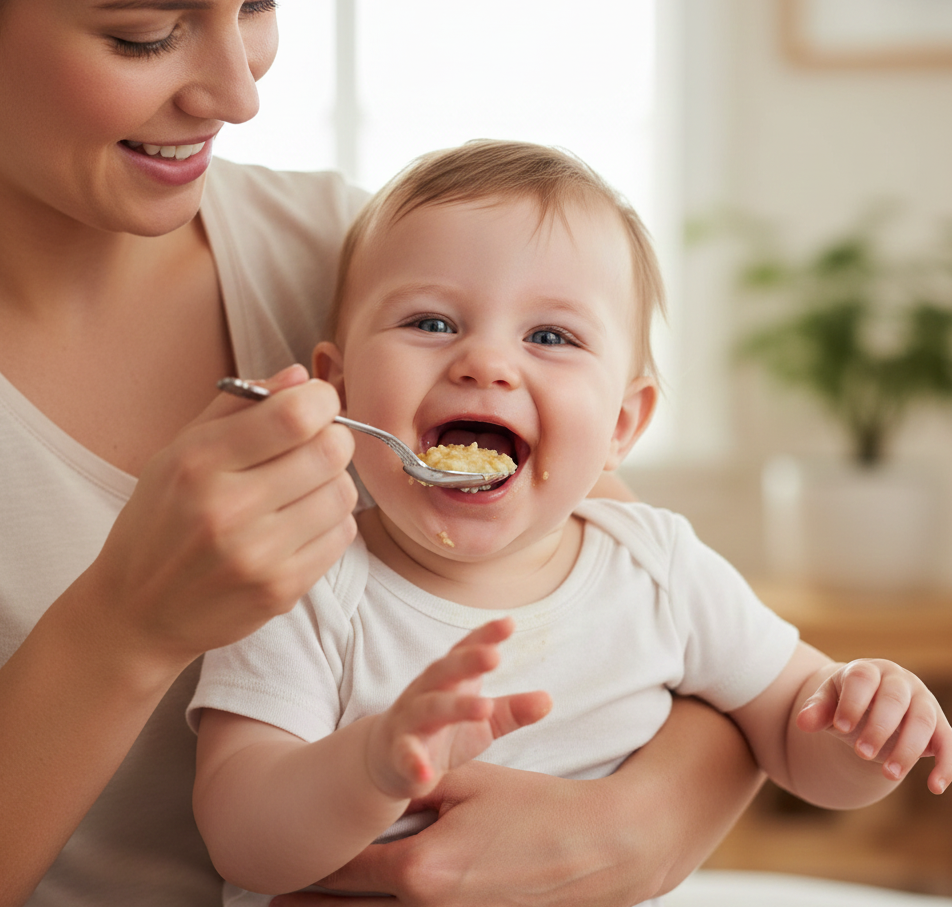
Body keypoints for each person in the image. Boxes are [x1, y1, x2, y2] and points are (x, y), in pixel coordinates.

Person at [0, 0, 773, 906]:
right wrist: (127, 624)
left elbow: (655, 623)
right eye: (144, 36)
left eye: (259, 0)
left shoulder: (351, 250)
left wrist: (641, 827)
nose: (240, 96)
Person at [188, 140, 952, 906]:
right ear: (338, 386)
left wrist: (864, 724)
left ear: (621, 424)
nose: (484, 362)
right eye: (430, 321)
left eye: (549, 337)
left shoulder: (657, 567)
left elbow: (795, 735)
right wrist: (369, 766)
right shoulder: (305, 579)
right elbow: (241, 836)